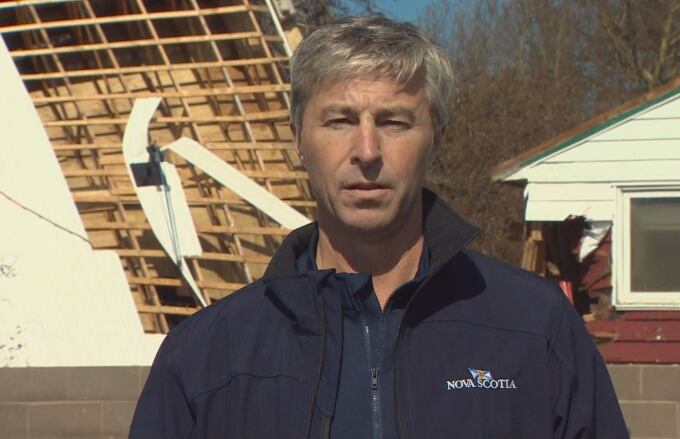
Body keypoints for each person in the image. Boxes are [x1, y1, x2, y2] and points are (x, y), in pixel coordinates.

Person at [129, 16, 629, 439]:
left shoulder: (535, 329)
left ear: (437, 139)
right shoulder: (205, 357)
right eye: (340, 121)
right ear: (299, 138)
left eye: (393, 122)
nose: (366, 152)